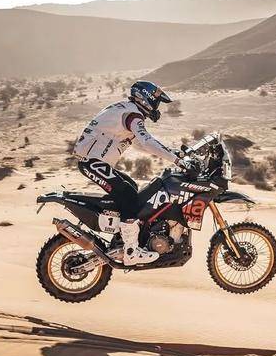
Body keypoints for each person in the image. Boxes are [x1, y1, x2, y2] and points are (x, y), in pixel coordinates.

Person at [73, 80, 189, 265]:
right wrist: (176, 160)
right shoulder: (133, 115)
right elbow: (147, 141)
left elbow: (139, 144)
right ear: (146, 99)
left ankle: (121, 240)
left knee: (132, 188)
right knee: (127, 193)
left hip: (95, 161)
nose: (157, 107)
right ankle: (131, 251)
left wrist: (173, 153)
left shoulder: (128, 110)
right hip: (91, 162)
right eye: (156, 102)